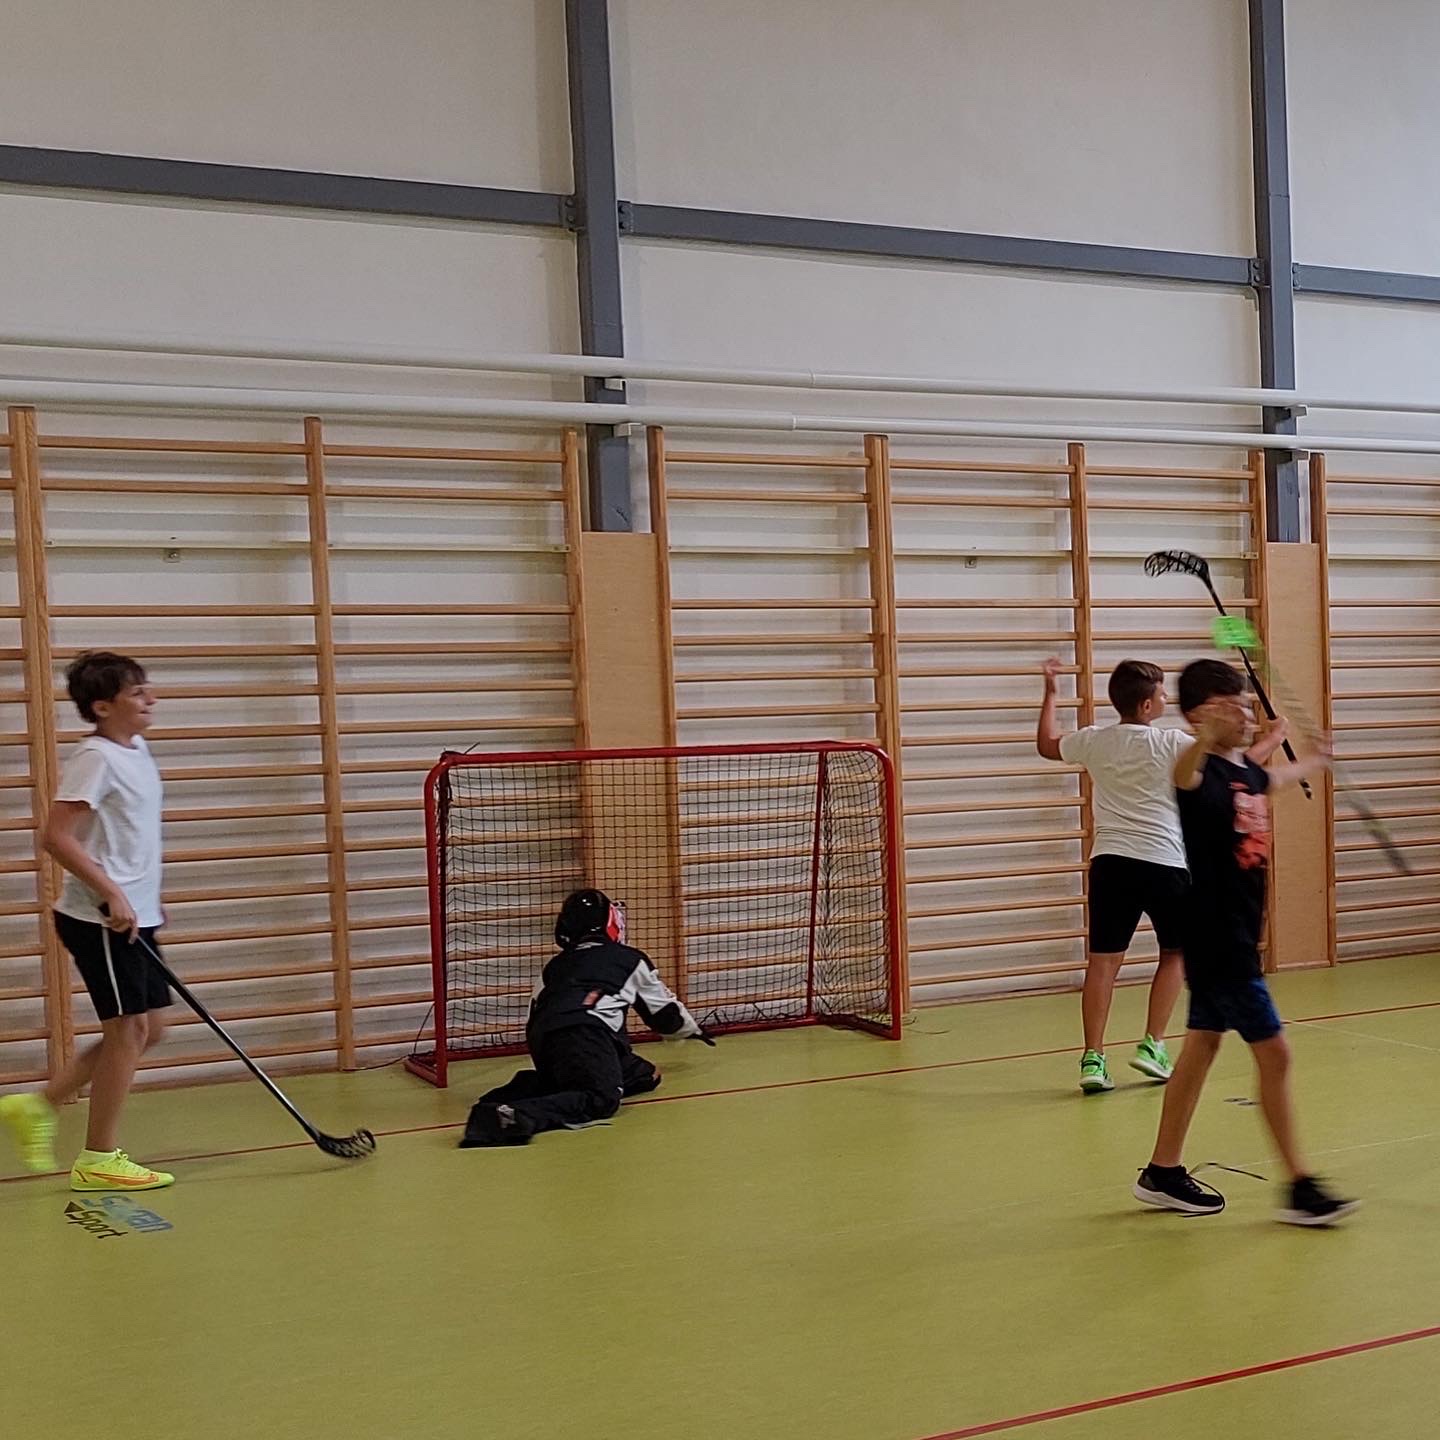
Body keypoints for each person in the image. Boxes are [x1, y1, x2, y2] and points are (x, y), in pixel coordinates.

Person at [1132, 658, 1358, 1225]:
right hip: (1219, 940)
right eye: (1234, 707)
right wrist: (1200, 738)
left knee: (1201, 1047)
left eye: (1247, 705)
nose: (1246, 714)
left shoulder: (1243, 771)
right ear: (1202, 714)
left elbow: (1268, 780)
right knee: (1275, 1053)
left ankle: (1162, 1171)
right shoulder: (1199, 773)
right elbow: (1182, 775)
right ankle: (1299, 1187)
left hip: (1232, 934)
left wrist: (1315, 759)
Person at [1038, 658, 1287, 1093]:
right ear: (1148, 705)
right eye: (1162, 694)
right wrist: (1275, 737)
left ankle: (1093, 1057)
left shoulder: (1093, 740)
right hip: (1165, 863)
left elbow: (1046, 745)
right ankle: (1153, 1044)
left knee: (1103, 963)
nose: (1167, 699)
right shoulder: (1173, 743)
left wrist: (1052, 692)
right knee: (1174, 955)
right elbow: (1236, 771)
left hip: (1111, 863)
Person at [0, 652, 174, 1191]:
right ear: (102, 707)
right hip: (99, 918)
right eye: (137, 693)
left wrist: (143, 899)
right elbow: (56, 837)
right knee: (129, 1030)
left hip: (134, 916)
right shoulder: (96, 757)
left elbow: (126, 837)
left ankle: (40, 1104)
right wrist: (112, 893)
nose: (151, 699)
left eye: (148, 689)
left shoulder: (136, 748)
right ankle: (98, 1158)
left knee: (151, 1029)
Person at [461, 888, 713, 1147]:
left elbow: (536, 1012)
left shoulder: (556, 965)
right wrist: (691, 1029)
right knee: (601, 1099)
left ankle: (528, 1087)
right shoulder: (629, 959)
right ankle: (510, 1117)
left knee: (648, 1075)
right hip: (589, 1033)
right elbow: (665, 1016)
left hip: (546, 1040)